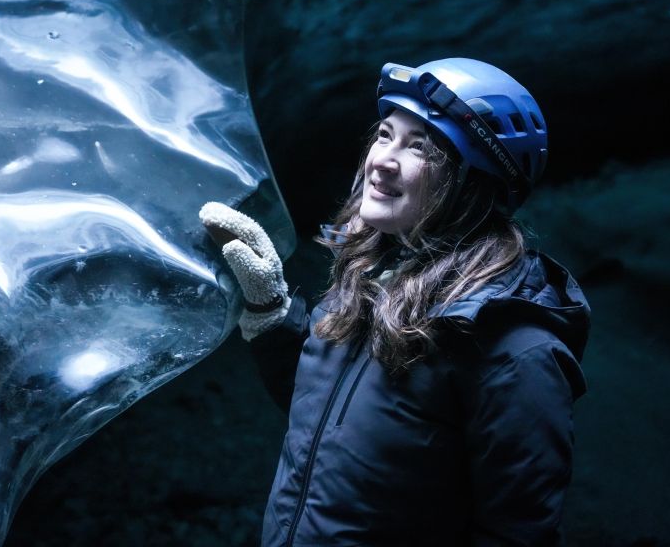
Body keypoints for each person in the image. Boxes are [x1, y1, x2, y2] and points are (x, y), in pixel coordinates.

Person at [200, 58, 590, 546]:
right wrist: (272, 312)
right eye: (385, 134)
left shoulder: (512, 350)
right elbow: (330, 419)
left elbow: (518, 534)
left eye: (420, 146)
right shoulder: (371, 277)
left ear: (473, 183)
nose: (381, 160)